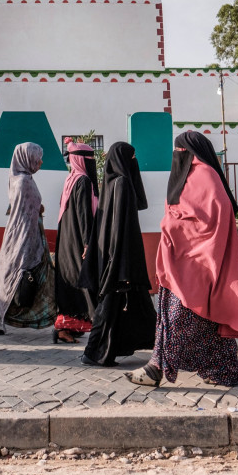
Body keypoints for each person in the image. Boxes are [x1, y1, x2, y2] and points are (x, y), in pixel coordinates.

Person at [125, 132, 238, 388]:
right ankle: (223, 371)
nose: (177, 156)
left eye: (180, 150)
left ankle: (158, 367)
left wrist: (172, 223)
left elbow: (212, 218)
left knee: (180, 318)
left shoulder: (205, 176)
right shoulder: (189, 176)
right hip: (180, 264)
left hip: (200, 265)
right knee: (189, 320)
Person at [79, 141, 157, 367]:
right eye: (132, 158)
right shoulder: (122, 184)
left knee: (127, 307)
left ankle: (108, 351)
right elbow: (122, 229)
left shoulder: (112, 183)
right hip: (121, 260)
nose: (135, 163)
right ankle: (93, 352)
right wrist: (122, 267)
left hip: (116, 258)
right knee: (110, 306)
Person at [0, 142, 57, 334]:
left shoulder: (19, 178)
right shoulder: (23, 182)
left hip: (27, 237)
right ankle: (60, 324)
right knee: (31, 280)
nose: (41, 162)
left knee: (13, 278)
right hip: (27, 239)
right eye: (38, 157)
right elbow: (24, 214)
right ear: (27, 158)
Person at [53, 142, 100, 344]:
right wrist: (87, 243)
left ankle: (65, 328)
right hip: (78, 242)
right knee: (86, 284)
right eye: (89, 160)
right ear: (81, 160)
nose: (92, 163)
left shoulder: (70, 179)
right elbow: (83, 214)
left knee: (71, 285)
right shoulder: (82, 181)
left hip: (67, 241)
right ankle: (98, 327)